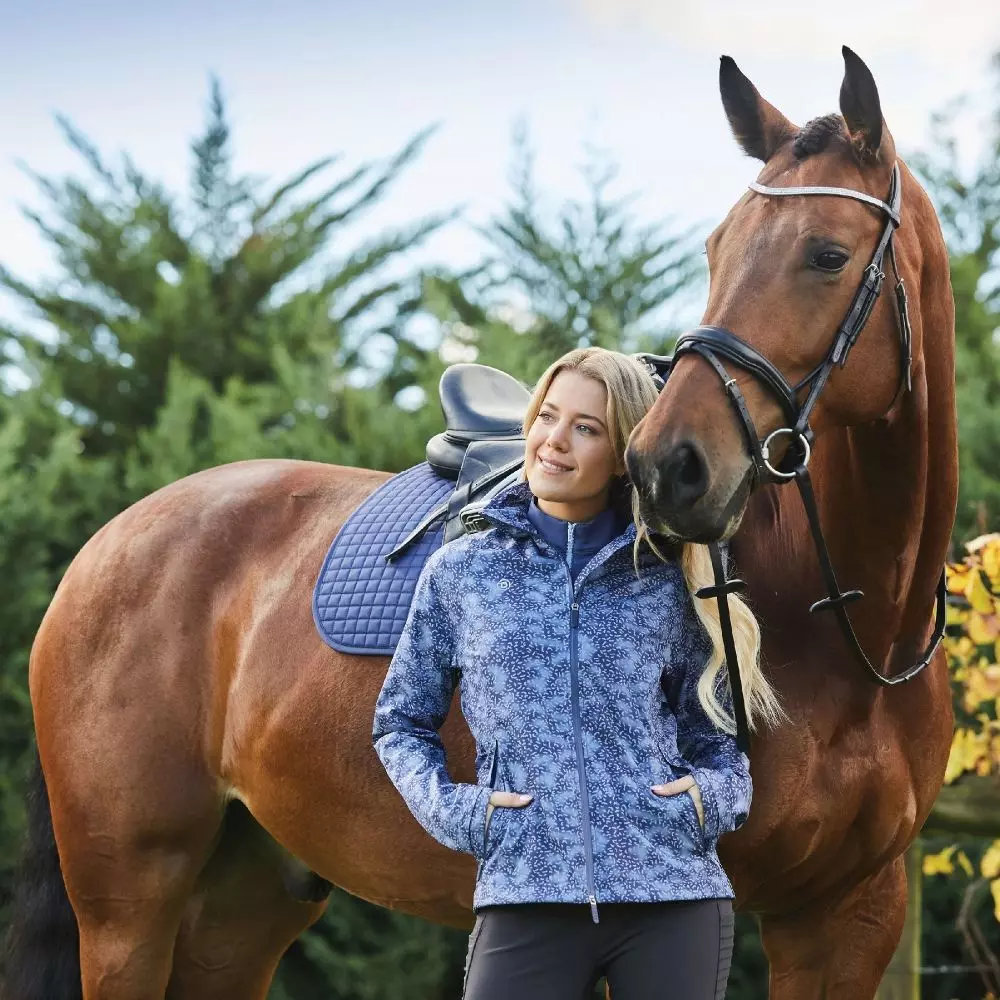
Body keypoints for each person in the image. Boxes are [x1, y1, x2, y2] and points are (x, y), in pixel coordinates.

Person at [372, 347, 783, 1000]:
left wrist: (709, 801)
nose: (553, 442)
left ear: (622, 454)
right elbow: (399, 721)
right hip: (525, 889)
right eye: (546, 417)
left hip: (670, 895)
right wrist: (460, 813)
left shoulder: (669, 575)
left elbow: (716, 734)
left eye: (585, 429)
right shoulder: (462, 572)